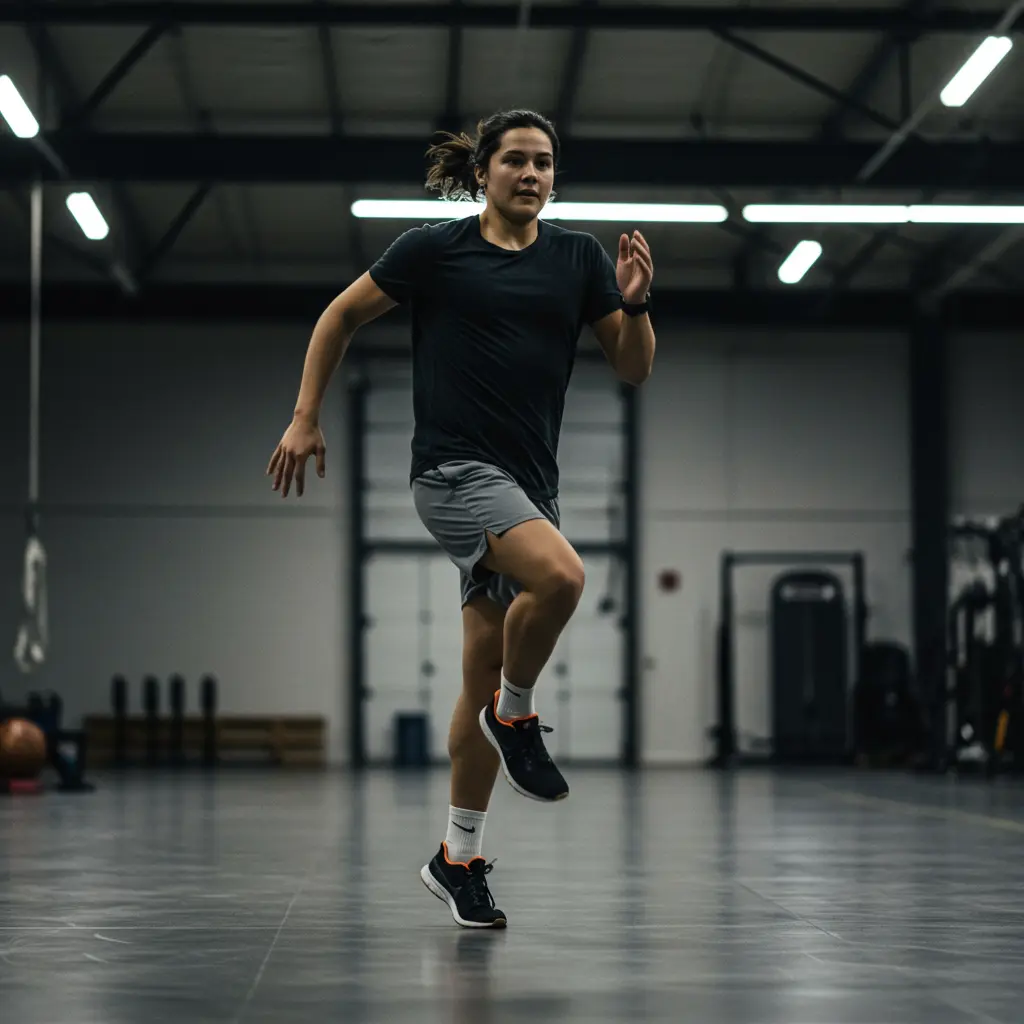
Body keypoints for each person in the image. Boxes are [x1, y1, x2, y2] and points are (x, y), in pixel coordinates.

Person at [267, 109, 655, 929]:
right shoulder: (434, 252)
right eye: (515, 160)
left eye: (544, 163)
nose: (531, 174)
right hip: (450, 472)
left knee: (479, 664)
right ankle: (515, 715)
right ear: (482, 172)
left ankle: (458, 858)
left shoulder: (579, 259)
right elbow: (339, 315)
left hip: (529, 487)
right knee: (563, 575)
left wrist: (637, 304)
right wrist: (305, 415)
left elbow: (632, 367)